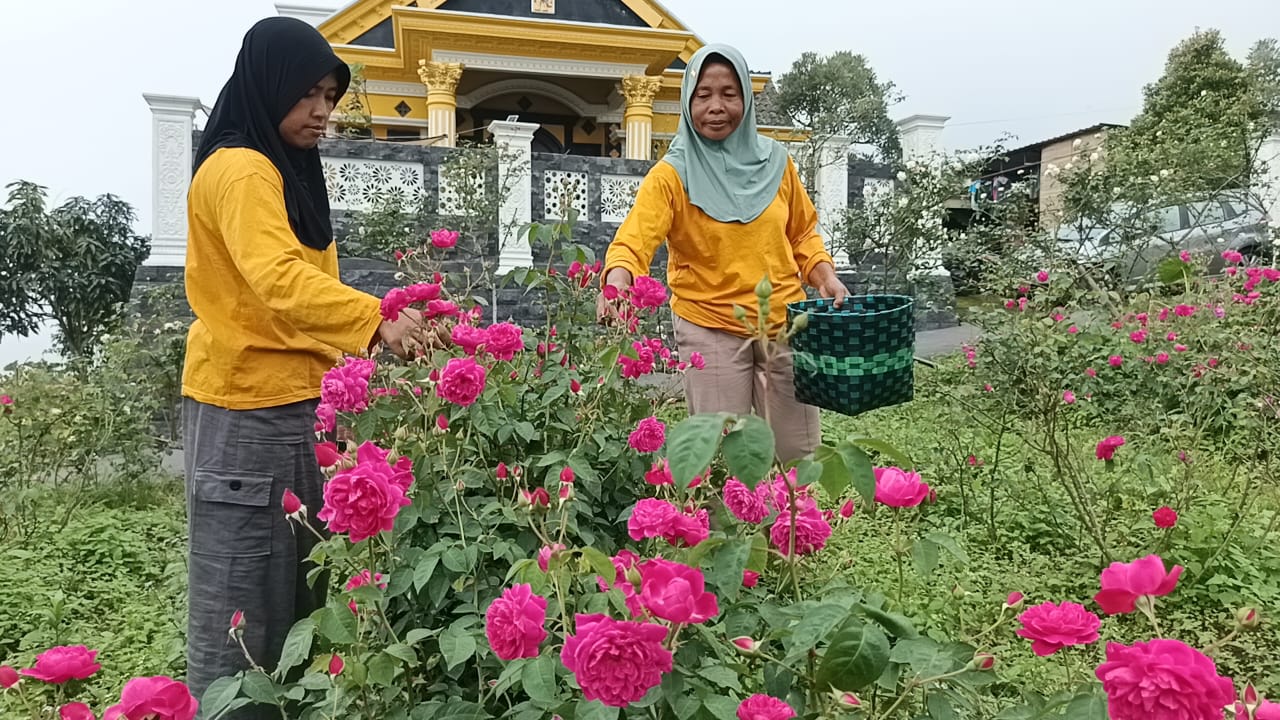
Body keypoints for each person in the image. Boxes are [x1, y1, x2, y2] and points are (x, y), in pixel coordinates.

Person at [180, 17, 420, 715]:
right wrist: (374, 322)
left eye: (330, 96)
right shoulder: (244, 168)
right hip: (247, 412)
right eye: (307, 94)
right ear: (268, 86)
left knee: (298, 604)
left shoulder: (281, 164)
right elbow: (278, 280)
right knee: (241, 620)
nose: (322, 112)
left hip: (292, 404)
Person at [601, 44, 848, 463]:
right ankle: (726, 529)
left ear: (746, 100)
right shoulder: (671, 175)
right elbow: (636, 237)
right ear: (687, 102)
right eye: (703, 95)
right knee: (724, 455)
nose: (716, 107)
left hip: (783, 323)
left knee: (798, 452)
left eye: (729, 94)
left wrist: (824, 274)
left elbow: (803, 232)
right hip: (709, 324)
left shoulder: (778, 163)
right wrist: (618, 279)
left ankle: (791, 529)